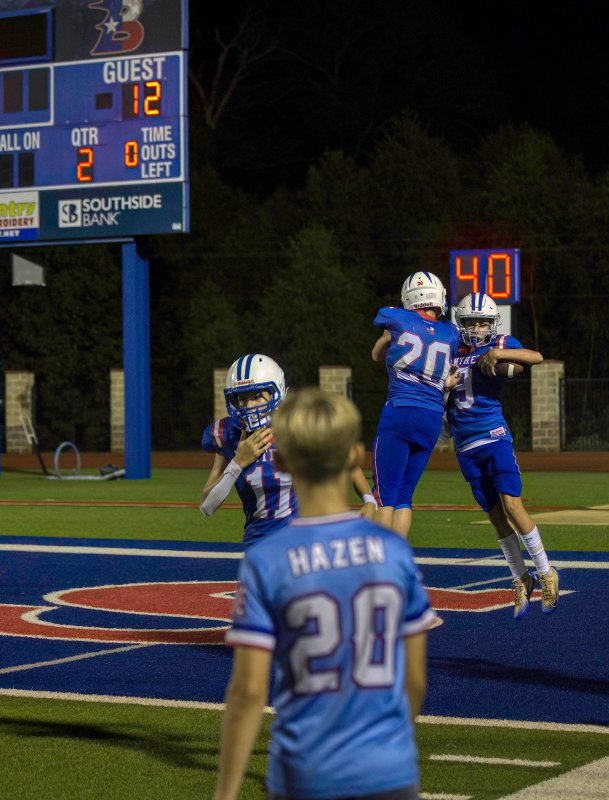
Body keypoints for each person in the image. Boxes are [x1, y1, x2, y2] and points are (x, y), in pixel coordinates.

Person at [213, 389, 437, 800]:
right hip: (388, 770)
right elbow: (414, 679)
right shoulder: (393, 550)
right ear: (355, 457)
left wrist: (225, 794)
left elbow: (248, 693)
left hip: (306, 769)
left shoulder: (267, 560)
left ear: (281, 462)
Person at [445, 292, 559, 618]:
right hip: (464, 444)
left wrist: (497, 353)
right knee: (495, 516)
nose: (477, 328)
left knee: (512, 505)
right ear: (460, 323)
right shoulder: (451, 349)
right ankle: (521, 577)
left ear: (492, 324)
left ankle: (546, 572)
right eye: (471, 322)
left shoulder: (499, 343)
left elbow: (535, 357)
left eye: (483, 322)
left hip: (493, 436)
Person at [369, 272, 462, 537]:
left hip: (400, 410)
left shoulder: (397, 318)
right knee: (404, 495)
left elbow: (377, 351)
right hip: (431, 417)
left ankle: (381, 559)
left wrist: (388, 336)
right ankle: (398, 555)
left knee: (384, 496)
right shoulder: (451, 332)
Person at [200, 354, 296, 545]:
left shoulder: (297, 429)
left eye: (257, 396)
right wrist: (237, 462)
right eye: (242, 399)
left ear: (277, 392)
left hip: (300, 543)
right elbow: (207, 506)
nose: (249, 406)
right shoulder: (228, 435)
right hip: (258, 544)